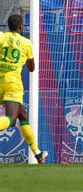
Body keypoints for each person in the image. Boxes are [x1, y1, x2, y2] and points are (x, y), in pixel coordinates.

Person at [0, 14, 47, 163]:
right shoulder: (26, 43)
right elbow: (31, 68)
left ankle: (38, 154)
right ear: (21, 27)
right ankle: (38, 154)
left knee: (22, 116)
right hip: (13, 84)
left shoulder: (2, 37)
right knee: (11, 118)